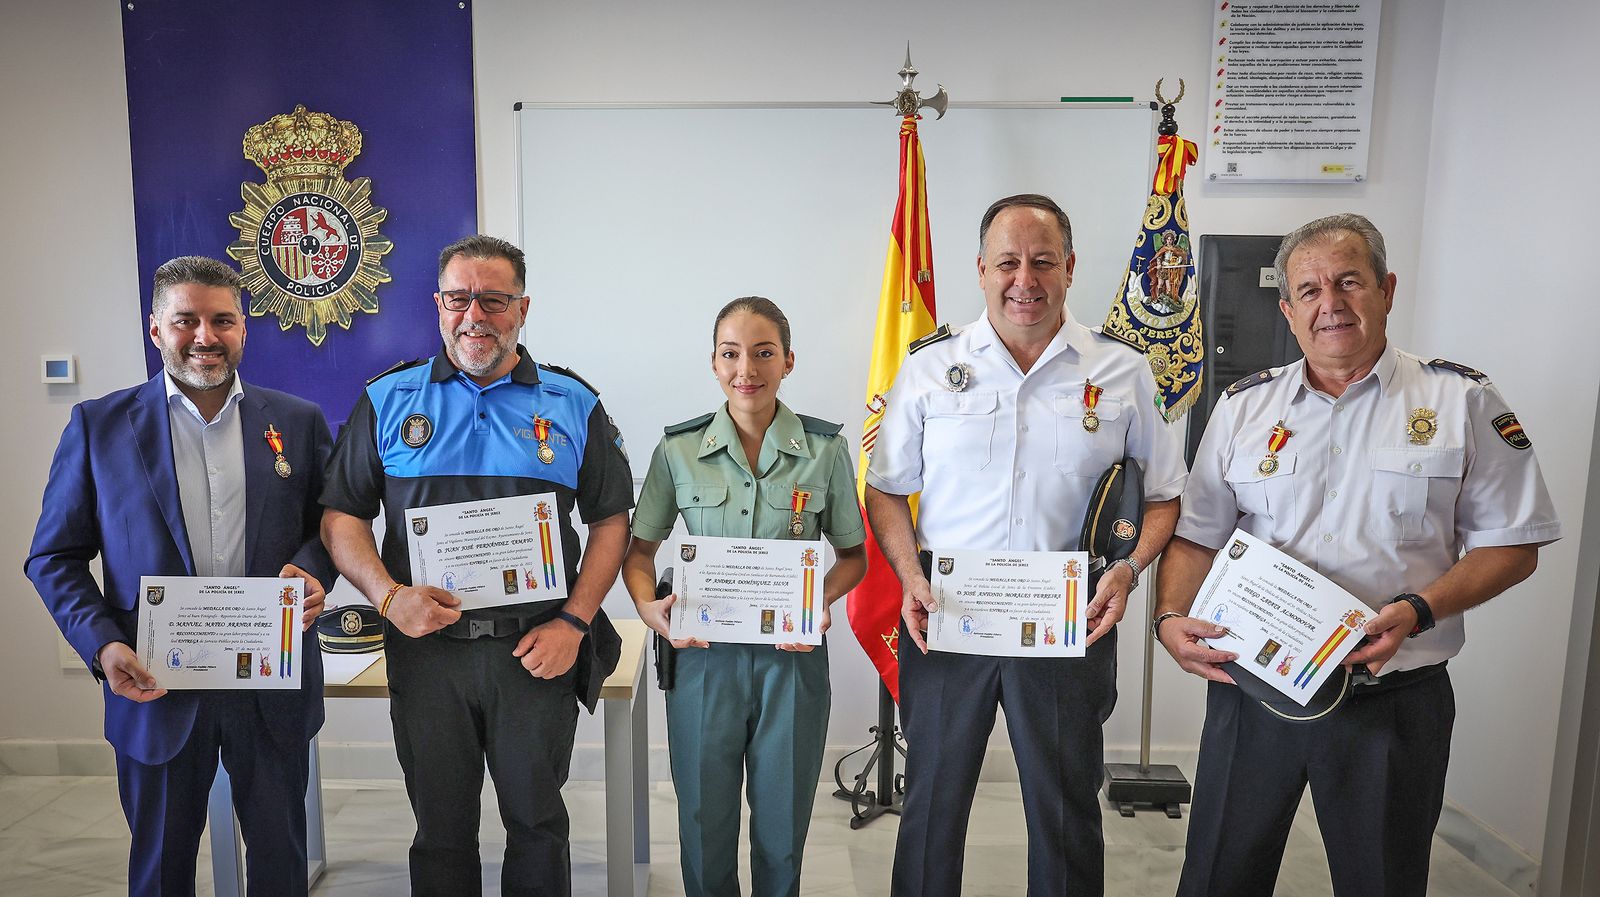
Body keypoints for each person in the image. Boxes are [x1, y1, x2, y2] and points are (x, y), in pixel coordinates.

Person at [1153, 212, 1562, 897]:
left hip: (1391, 702)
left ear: (1387, 289)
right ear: (1287, 309)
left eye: (1349, 281)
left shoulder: (1459, 400)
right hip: (1253, 693)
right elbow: (1196, 535)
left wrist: (1420, 608)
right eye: (1309, 290)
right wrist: (1169, 616)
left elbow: (1513, 544)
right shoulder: (1242, 408)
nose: (1330, 304)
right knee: (1218, 878)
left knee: (1381, 883)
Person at [865, 194, 1188, 897]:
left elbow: (1164, 496)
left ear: (1069, 268)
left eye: (1043, 261)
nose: (1025, 279)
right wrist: (906, 574)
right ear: (980, 270)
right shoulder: (930, 366)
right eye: (1008, 262)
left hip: (1069, 623)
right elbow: (886, 489)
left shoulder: (1122, 371)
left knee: (1067, 810)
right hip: (948, 621)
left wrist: (1130, 569)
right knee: (930, 809)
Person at [319, 235, 633, 897]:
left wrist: (575, 622)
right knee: (440, 828)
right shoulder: (388, 400)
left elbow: (611, 522)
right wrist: (387, 595)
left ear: (522, 308)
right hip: (428, 655)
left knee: (539, 822)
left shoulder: (573, 402)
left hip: (537, 650)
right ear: (438, 304)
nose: (475, 316)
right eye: (460, 298)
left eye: (493, 300)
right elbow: (341, 517)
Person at [25, 256, 335, 897]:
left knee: (281, 867)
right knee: (162, 871)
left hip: (269, 690)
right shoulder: (99, 427)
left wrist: (310, 572)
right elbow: (53, 555)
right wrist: (104, 643)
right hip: (154, 689)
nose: (205, 336)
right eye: (185, 320)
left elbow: (330, 528)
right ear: (155, 328)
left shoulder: (298, 423)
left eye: (222, 320)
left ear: (244, 329)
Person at [622, 297, 868, 897]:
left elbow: (854, 556)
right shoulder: (678, 451)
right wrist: (647, 608)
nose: (746, 369)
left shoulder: (825, 450)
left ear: (788, 361)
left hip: (792, 660)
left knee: (783, 822)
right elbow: (638, 554)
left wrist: (821, 600)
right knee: (704, 819)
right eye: (731, 354)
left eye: (763, 353)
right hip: (704, 658)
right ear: (713, 362)